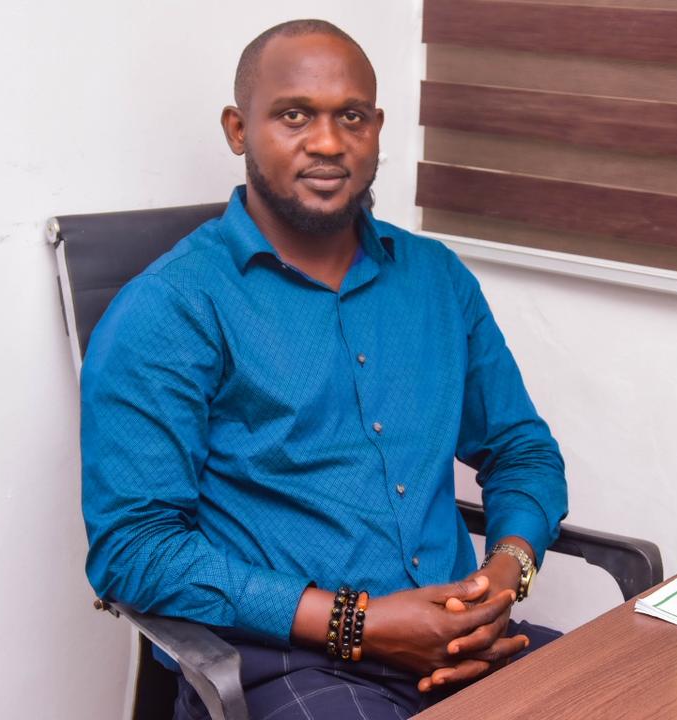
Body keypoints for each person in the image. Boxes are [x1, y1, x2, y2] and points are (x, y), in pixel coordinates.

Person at [80, 19, 567, 719]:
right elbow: (134, 551)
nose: (330, 142)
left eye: (352, 117)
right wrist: (358, 623)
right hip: (287, 665)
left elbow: (521, 449)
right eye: (294, 115)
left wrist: (502, 576)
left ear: (377, 128)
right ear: (238, 130)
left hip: (463, 642)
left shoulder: (436, 279)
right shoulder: (169, 307)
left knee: (646, 687)